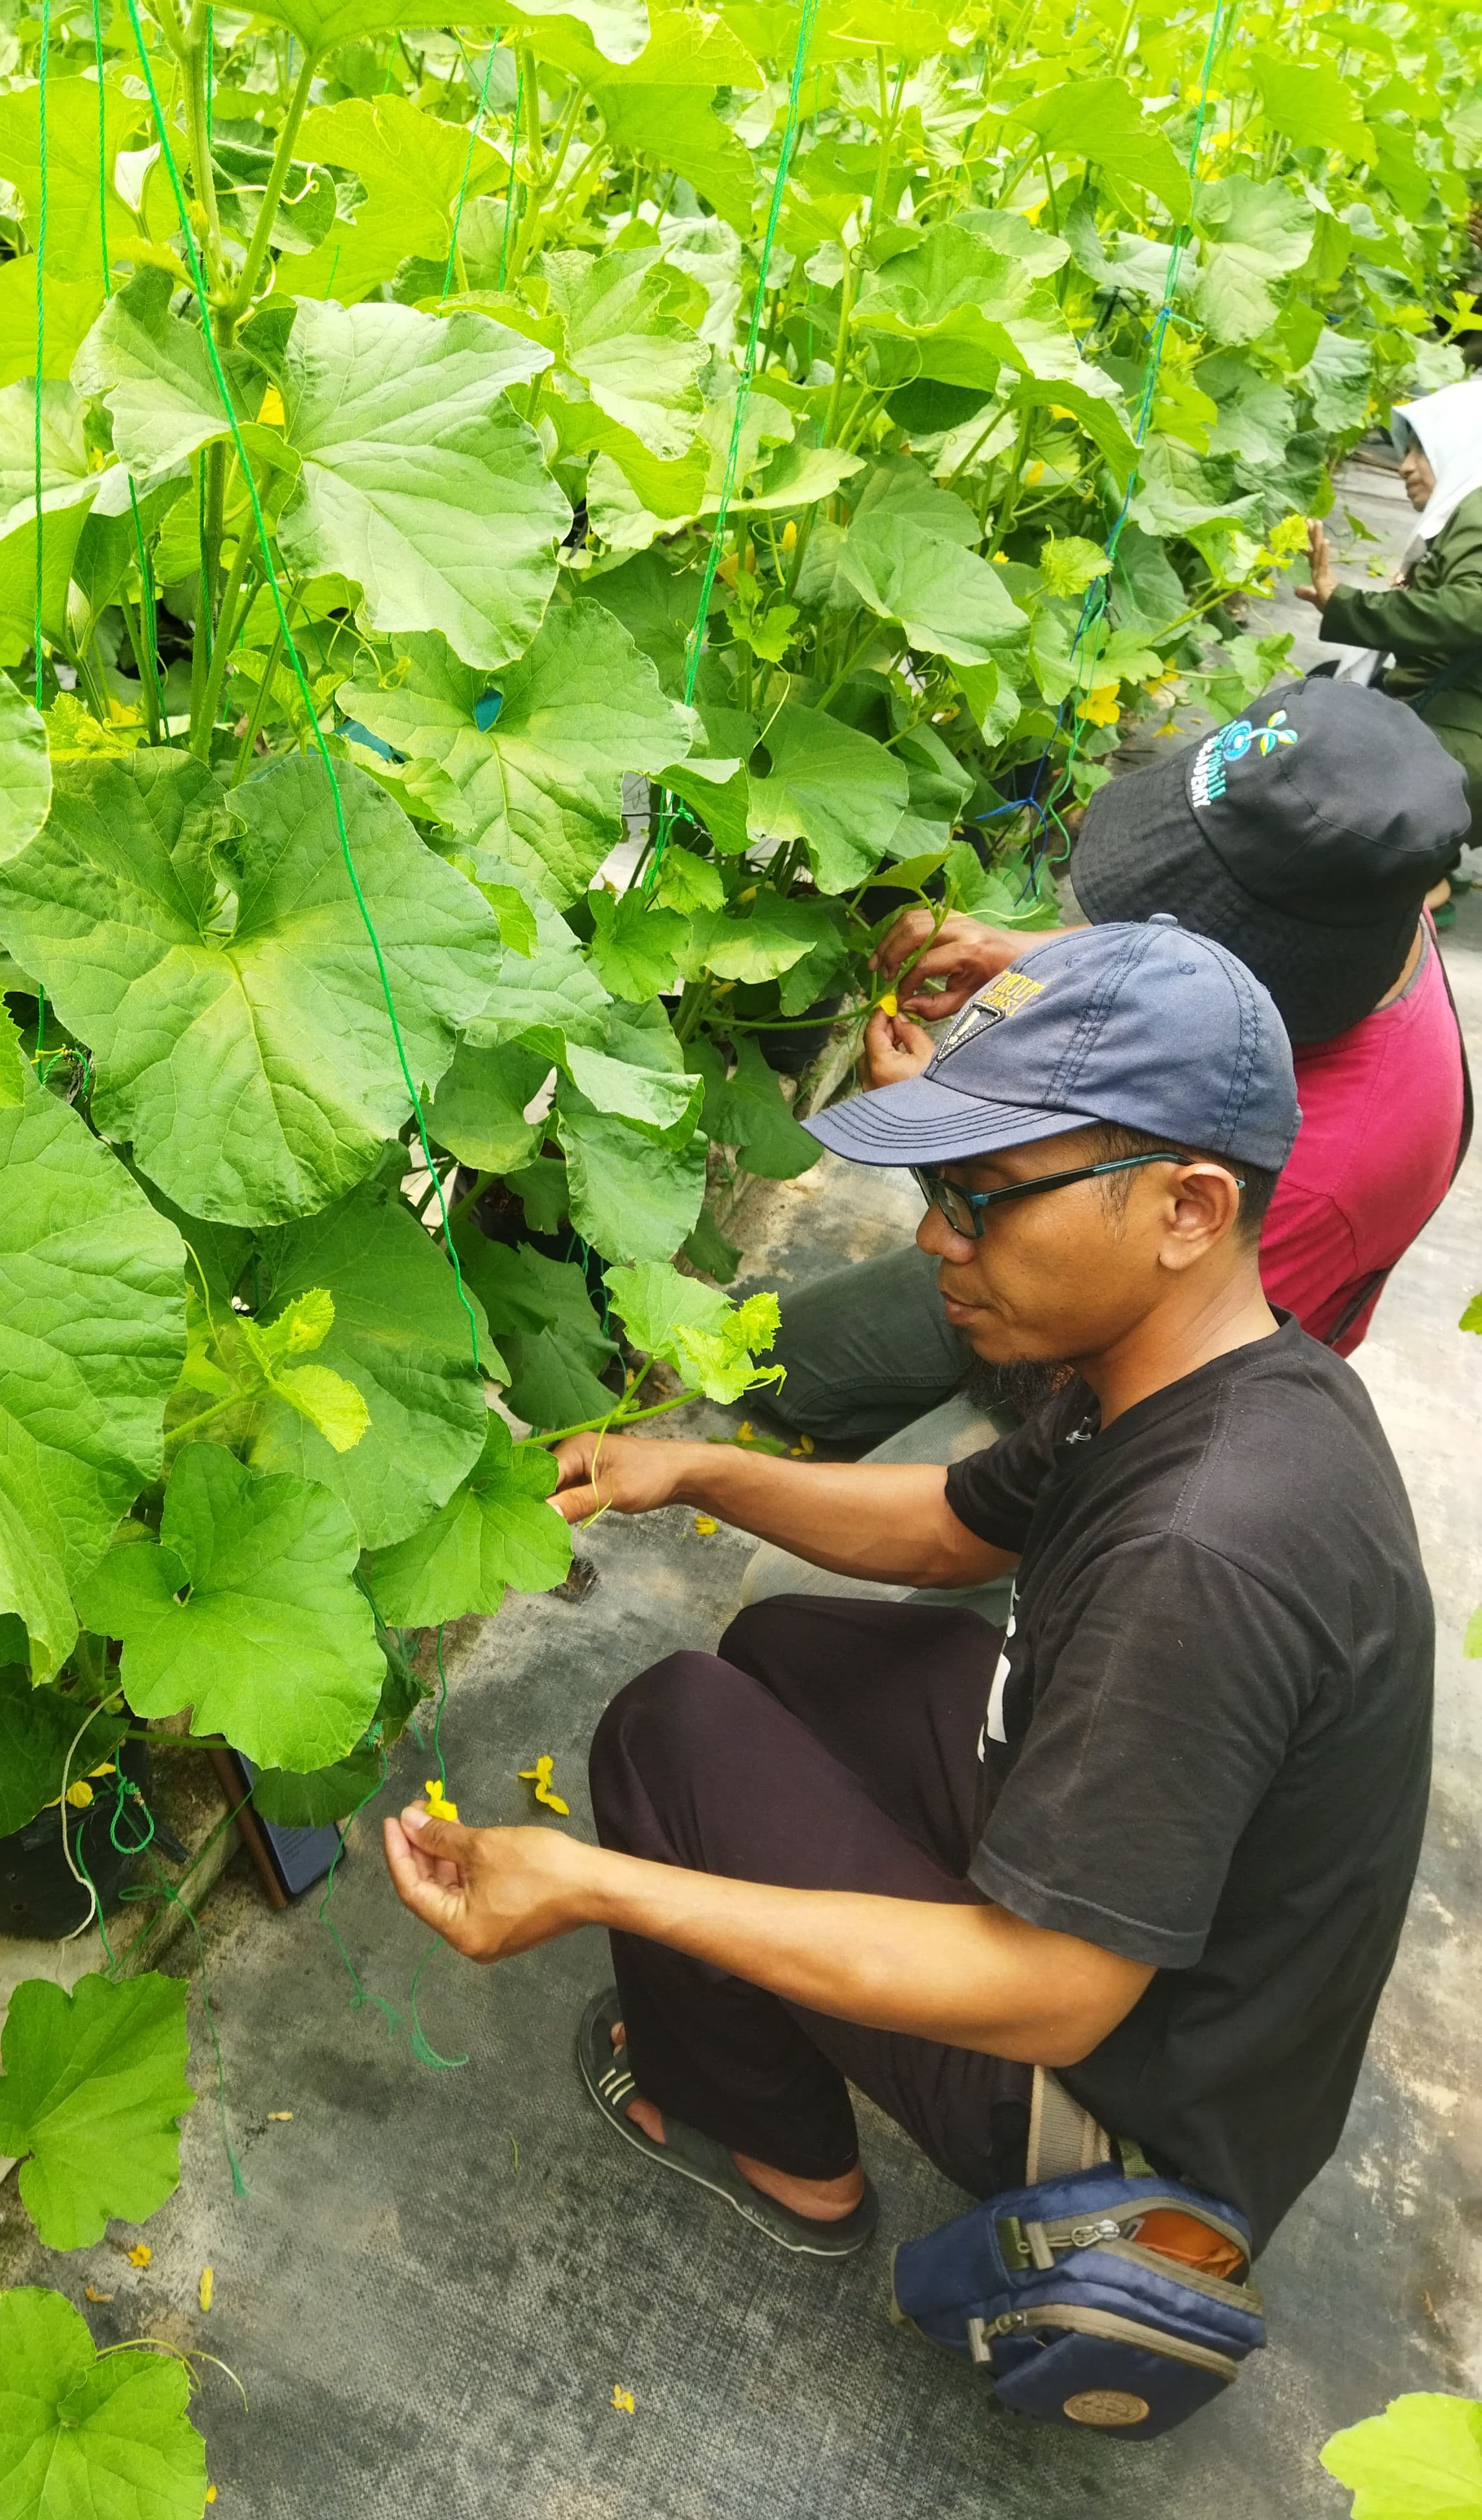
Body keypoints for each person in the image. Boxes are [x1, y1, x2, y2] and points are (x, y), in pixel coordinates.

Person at [382, 920, 1434, 2265]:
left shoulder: (1200, 1553)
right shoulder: (1202, 1377)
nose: (937, 1236)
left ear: (1189, 1207)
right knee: (780, 1644)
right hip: (1193, 1983)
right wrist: (692, 1469)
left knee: (671, 1728)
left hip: (1120, 2128)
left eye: (984, 1195)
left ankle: (797, 2167)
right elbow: (950, 1528)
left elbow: (1050, 1994)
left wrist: (597, 1883)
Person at [761, 677, 1470, 1478]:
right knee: (779, 1362)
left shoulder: (1328, 1176)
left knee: (807, 1590)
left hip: (1141, 1367)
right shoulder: (1353, 883)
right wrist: (1016, 955)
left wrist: (951, 1128)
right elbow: (1194, 951)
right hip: (1069, 1209)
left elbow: (1138, 1390)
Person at [1300, 378, 1482, 817]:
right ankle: (1423, 855)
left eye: (1422, 451)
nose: (1404, 467)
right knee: (1324, 692)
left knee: (1322, 739)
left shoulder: (1479, 511)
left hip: (1464, 733)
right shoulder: (1464, 513)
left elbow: (1471, 610)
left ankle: (1419, 867)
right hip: (1452, 711)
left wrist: (1347, 604)